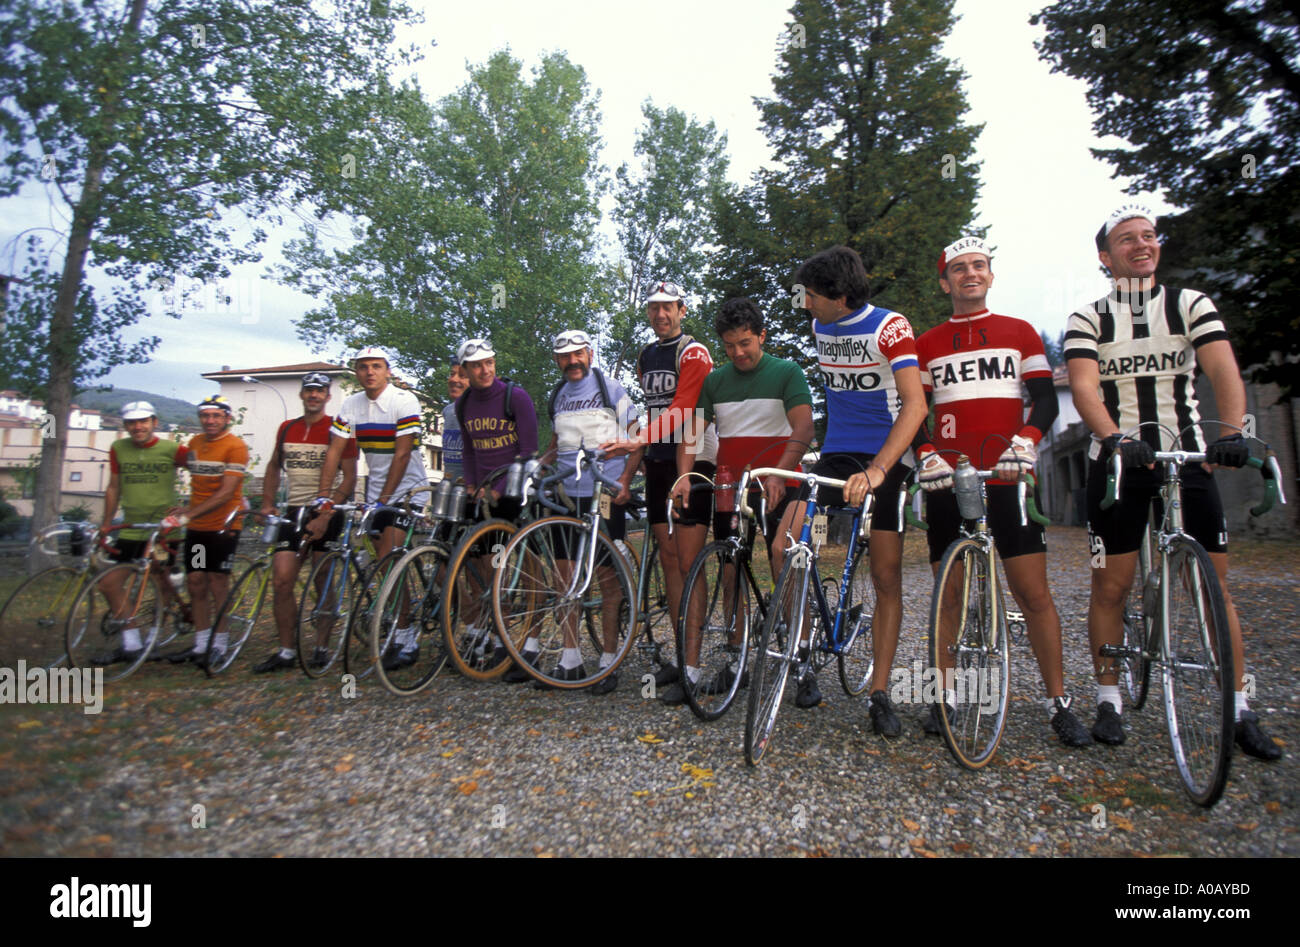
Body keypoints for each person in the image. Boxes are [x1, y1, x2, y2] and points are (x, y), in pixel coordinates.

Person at [1064, 204, 1281, 760]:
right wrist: (1114, 437)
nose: (1142, 245)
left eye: (1149, 236)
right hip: (1118, 463)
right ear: (1105, 257)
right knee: (1111, 585)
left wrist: (1229, 434)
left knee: (1213, 591)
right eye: (1127, 239)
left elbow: (1223, 371)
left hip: (1185, 458)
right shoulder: (1088, 317)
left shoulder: (1190, 304)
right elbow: (1085, 388)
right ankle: (1109, 697)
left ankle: (1238, 709)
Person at [914, 237, 1091, 746]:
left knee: (1033, 594)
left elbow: (1045, 402)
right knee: (948, 597)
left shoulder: (1019, 333)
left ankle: (1059, 703)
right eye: (959, 269)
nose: (971, 274)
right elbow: (910, 409)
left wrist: (1025, 442)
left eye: (980, 266)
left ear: (990, 276)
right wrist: (925, 452)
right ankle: (942, 697)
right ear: (945, 282)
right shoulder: (925, 343)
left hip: (1009, 475)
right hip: (949, 479)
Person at [791, 245, 928, 730]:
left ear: (840, 296)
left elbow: (915, 406)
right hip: (837, 451)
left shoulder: (891, 327)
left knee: (886, 573)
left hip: (883, 454)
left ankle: (880, 692)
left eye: (812, 295)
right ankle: (804, 650)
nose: (805, 303)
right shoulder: (819, 325)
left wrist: (878, 471)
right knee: (799, 541)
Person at [663, 297, 814, 705]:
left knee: (784, 561)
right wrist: (683, 476)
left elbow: (804, 425)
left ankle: (801, 659)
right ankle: (735, 659)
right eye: (729, 346)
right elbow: (693, 433)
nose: (738, 353)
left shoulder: (786, 371)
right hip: (734, 486)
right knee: (731, 571)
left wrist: (781, 471)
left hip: (783, 481)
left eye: (745, 343)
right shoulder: (716, 381)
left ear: (762, 336)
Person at [601, 279, 718, 688]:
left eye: (668, 307)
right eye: (654, 308)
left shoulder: (695, 352)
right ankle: (680, 653)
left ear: (682, 310)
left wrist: (638, 438)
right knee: (669, 561)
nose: (660, 314)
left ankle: (694, 663)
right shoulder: (646, 354)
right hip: (657, 461)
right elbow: (652, 409)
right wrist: (639, 454)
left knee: (689, 561)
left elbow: (685, 408)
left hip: (693, 459)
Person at [514, 329, 642, 691]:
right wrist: (537, 467)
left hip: (604, 492)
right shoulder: (557, 395)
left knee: (606, 577)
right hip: (566, 495)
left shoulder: (610, 389)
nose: (572, 361)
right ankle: (570, 660)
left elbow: (637, 439)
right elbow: (557, 444)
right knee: (564, 579)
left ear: (589, 353)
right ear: (557, 360)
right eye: (564, 356)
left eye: (578, 354)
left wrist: (626, 482)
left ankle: (609, 660)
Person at [315, 347, 430, 670]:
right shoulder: (351, 405)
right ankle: (395, 617)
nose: (369, 372)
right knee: (377, 563)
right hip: (378, 493)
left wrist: (383, 502)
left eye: (376, 366)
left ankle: (407, 637)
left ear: (387, 371)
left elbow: (403, 455)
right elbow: (334, 452)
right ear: (356, 372)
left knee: (387, 560)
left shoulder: (403, 400)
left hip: (409, 491)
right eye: (363, 367)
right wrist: (325, 497)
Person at [251, 372, 359, 673]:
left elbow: (349, 477)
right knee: (282, 580)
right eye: (309, 390)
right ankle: (286, 650)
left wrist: (326, 512)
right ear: (301, 395)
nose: (314, 396)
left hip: (328, 509)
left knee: (323, 579)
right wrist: (268, 502)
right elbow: (273, 467)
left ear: (327, 396)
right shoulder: (287, 428)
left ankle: (322, 646)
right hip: (292, 510)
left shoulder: (339, 428)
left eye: (320, 391)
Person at [454, 337, 540, 670]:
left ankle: (517, 640)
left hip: (515, 490)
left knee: (509, 565)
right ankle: (484, 633)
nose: (484, 369)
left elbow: (529, 451)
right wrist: (474, 485)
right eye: (476, 365)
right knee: (473, 562)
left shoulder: (514, 397)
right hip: (482, 492)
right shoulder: (464, 405)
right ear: (465, 370)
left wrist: (501, 488)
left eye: (489, 362)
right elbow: (470, 450)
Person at [92, 401, 187, 664]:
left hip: (164, 531)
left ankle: (154, 639)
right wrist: (107, 522)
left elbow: (203, 471)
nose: (138, 427)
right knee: (109, 584)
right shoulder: (118, 448)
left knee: (160, 584)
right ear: (125, 425)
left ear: (154, 422)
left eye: (143, 421)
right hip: (131, 529)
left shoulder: (172, 448)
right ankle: (131, 642)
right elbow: (113, 487)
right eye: (132, 422)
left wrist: (190, 508)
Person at [164, 395, 249, 667]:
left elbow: (226, 493)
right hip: (198, 529)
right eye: (205, 416)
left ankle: (220, 645)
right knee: (196, 583)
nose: (210, 420)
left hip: (223, 528)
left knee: (217, 584)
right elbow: (197, 485)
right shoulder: (195, 444)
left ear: (227, 418)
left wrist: (189, 514)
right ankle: (201, 645)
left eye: (216, 416)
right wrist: (184, 509)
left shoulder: (236, 447)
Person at [441, 356, 469, 484]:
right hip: (449, 488)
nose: (453, 379)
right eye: (452, 374)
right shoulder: (447, 411)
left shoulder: (484, 413)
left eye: (462, 376)